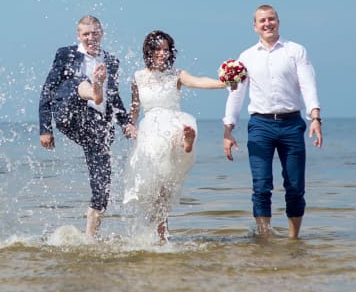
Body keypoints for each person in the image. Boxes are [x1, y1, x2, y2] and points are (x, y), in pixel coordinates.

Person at [222, 5, 323, 239]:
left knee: (295, 187)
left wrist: (315, 118)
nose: (267, 24)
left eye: (271, 19)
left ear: (278, 21)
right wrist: (228, 130)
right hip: (260, 126)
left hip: (291, 124)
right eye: (262, 21)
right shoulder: (246, 57)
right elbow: (235, 94)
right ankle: (264, 238)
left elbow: (308, 85)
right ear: (255, 26)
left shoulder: (295, 50)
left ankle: (293, 239)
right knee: (261, 185)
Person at [123, 30, 229, 242]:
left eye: (166, 49)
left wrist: (223, 83)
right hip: (149, 129)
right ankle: (162, 237)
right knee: (155, 189)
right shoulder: (138, 77)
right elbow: (135, 107)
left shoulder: (177, 74)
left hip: (173, 122)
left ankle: (184, 144)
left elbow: (198, 81)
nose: (163, 53)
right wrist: (130, 124)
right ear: (149, 51)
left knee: (172, 142)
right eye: (158, 49)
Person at [39, 15, 136, 237]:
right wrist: (45, 128)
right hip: (68, 112)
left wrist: (126, 123)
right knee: (77, 82)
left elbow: (115, 97)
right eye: (85, 34)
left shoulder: (111, 61)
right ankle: (93, 90)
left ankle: (90, 237)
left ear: (101, 33)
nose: (90, 37)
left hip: (95, 124)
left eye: (94, 33)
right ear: (78, 36)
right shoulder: (66, 54)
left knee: (102, 183)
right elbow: (47, 89)